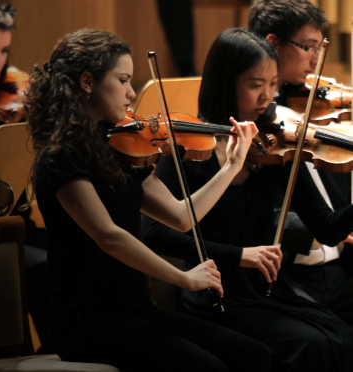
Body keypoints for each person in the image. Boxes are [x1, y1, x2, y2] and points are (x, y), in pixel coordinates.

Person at [24, 28, 271, 372]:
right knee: (206, 367)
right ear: (86, 82)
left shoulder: (118, 150)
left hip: (136, 309)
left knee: (252, 353)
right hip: (87, 320)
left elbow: (183, 216)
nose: (130, 93)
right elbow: (110, 236)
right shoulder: (60, 157)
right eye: (123, 80)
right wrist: (184, 278)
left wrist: (231, 165)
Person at [141, 27, 353, 372]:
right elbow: (154, 233)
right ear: (226, 83)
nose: (268, 96)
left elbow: (327, 229)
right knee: (310, 344)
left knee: (342, 338)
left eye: (273, 84)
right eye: (256, 85)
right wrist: (239, 256)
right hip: (213, 293)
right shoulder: (187, 149)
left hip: (269, 290)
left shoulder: (276, 146)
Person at [248, 0, 353, 327]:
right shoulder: (255, 125)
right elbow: (252, 215)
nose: (316, 59)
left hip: (339, 267)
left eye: (319, 48)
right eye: (307, 46)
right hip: (289, 274)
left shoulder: (317, 108)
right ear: (272, 43)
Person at [0, 0, 52, 352]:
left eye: (4, 51)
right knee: (41, 267)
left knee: (70, 252)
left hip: (18, 218)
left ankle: (62, 349)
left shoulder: (16, 88)